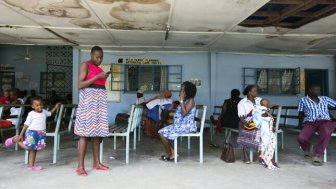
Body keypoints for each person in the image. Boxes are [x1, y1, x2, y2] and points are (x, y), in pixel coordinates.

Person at [74, 46, 110, 176]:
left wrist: (102, 76)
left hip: (99, 104)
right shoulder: (86, 65)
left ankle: (97, 163)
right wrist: (97, 77)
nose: (99, 59)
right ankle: (80, 166)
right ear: (91, 54)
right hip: (88, 104)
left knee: (97, 134)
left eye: (101, 57)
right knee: (84, 133)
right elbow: (80, 85)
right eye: (97, 57)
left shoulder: (100, 69)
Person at [4, 97, 60, 171]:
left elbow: (50, 113)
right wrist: (21, 135)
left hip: (40, 133)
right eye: (37, 105)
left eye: (41, 105)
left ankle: (31, 166)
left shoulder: (44, 111)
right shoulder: (31, 114)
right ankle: (16, 140)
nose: (39, 106)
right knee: (30, 148)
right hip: (32, 133)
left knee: (35, 149)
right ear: (33, 106)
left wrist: (56, 106)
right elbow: (26, 124)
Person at [297, 84, 336, 166]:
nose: (318, 91)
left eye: (319, 90)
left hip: (325, 121)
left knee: (326, 132)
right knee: (301, 137)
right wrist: (300, 124)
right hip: (311, 122)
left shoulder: (324, 99)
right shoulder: (303, 100)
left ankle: (317, 156)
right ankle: (308, 147)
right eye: (316, 90)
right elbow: (300, 113)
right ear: (310, 90)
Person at [158, 81, 197, 161]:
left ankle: (169, 153)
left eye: (182, 90)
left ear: (187, 91)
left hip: (186, 126)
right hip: (180, 125)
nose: (180, 92)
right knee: (161, 132)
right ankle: (172, 153)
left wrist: (181, 100)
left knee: (161, 133)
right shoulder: (186, 100)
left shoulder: (191, 100)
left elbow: (184, 113)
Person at [237, 85, 261, 164]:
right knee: (244, 130)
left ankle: (262, 153)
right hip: (247, 122)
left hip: (259, 122)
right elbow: (241, 117)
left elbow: (266, 109)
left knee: (265, 131)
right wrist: (248, 125)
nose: (257, 92)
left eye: (257, 91)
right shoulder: (242, 103)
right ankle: (245, 153)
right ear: (249, 92)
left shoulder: (259, 100)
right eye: (255, 91)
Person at [253, 98, 279, 170]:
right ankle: (266, 159)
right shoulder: (263, 109)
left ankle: (266, 158)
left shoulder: (259, 108)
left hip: (266, 130)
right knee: (267, 143)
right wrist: (269, 114)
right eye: (268, 104)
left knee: (267, 143)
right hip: (265, 131)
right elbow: (263, 113)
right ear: (267, 105)